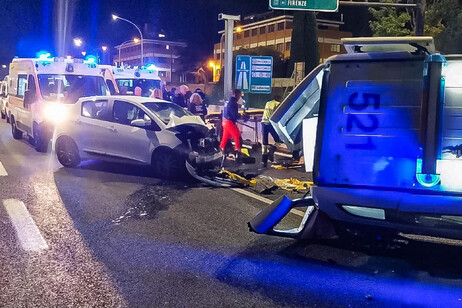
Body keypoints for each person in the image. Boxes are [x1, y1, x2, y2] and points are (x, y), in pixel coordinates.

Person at [261, 95, 283, 167]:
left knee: (265, 143)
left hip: (263, 123)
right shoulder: (278, 104)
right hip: (270, 124)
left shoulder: (268, 103)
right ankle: (272, 150)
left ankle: (264, 161)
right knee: (278, 140)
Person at [220, 89, 243, 156]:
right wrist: (241, 115)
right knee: (237, 135)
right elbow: (234, 115)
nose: (239, 97)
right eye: (239, 95)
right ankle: (238, 151)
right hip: (229, 122)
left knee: (225, 137)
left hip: (225, 121)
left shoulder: (228, 102)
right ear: (236, 95)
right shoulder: (233, 103)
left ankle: (222, 149)